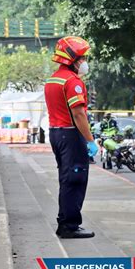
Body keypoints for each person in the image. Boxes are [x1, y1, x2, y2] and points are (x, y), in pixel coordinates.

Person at [44, 36, 98, 239]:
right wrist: (91, 140)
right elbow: (78, 114)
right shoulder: (72, 82)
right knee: (75, 179)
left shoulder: (53, 79)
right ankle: (69, 225)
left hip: (56, 133)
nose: (85, 62)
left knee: (66, 179)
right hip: (70, 134)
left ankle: (65, 221)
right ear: (72, 59)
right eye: (82, 58)